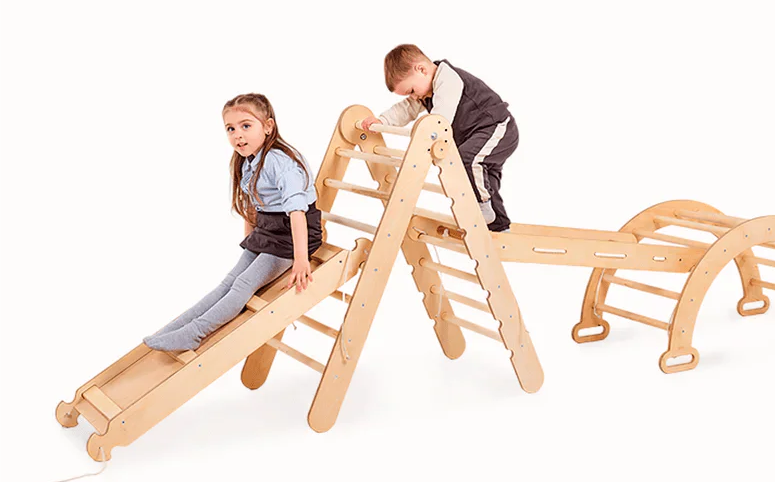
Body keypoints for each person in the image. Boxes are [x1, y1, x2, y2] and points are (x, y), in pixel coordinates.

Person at [143, 93, 322, 353]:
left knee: (242, 284)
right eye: (231, 128)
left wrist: (301, 259)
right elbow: (252, 207)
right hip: (270, 230)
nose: (238, 135)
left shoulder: (280, 162)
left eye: (246, 126)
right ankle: (177, 327)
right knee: (228, 281)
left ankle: (194, 333)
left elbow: (296, 212)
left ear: (268, 126)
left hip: (292, 236)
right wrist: (251, 243)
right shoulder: (248, 160)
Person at [361, 44, 517, 232]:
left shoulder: (448, 80)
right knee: (485, 180)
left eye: (411, 90)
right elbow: (406, 109)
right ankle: (499, 227)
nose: (414, 96)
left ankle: (480, 206)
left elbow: (440, 118)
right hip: (475, 135)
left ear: (422, 69)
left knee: (466, 160)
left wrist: (428, 139)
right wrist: (382, 121)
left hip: (497, 127)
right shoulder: (425, 89)